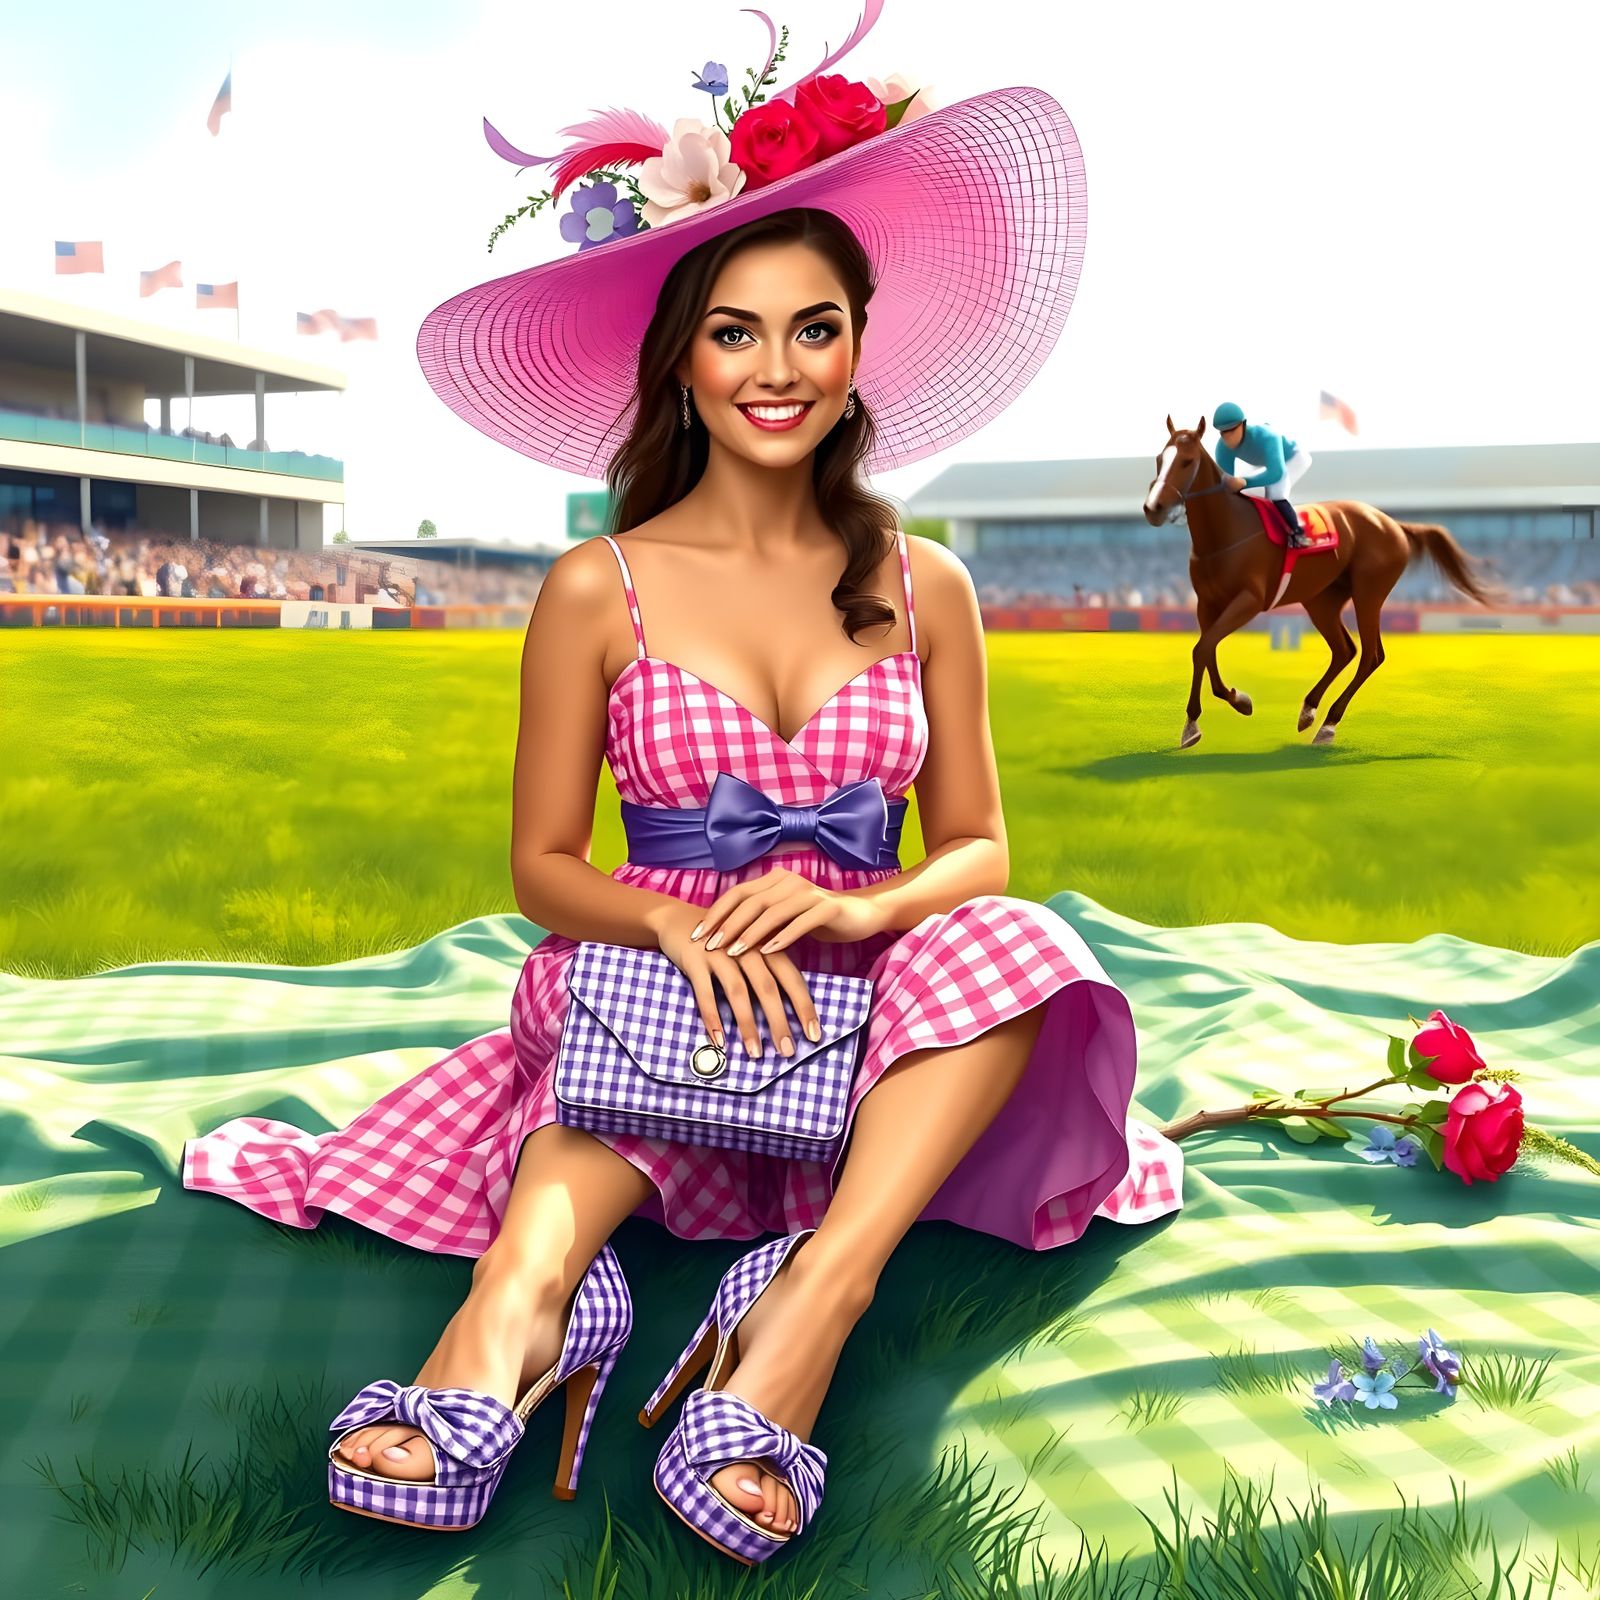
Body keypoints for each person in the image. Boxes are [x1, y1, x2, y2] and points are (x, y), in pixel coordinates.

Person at [182, 13, 1184, 1566]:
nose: (774, 371)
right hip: (663, 989)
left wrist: (866, 899)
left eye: (813, 329)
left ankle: (807, 1312)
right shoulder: (597, 587)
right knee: (591, 1098)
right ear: (681, 356)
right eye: (734, 330)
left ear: (860, 348)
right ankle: (508, 1321)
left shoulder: (933, 587)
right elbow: (542, 865)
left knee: (1024, 950)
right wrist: (672, 922)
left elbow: (981, 846)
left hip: (878, 1040)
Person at [1212, 401, 1314, 548]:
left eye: (1232, 430)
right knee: (1241, 492)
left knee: (1275, 492)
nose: (1227, 438)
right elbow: (1226, 484)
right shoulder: (1222, 449)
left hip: (1294, 459)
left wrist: (1244, 482)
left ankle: (1298, 534)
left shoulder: (1267, 436)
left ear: (1243, 424)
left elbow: (1276, 473)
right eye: (1222, 433)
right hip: (1268, 464)